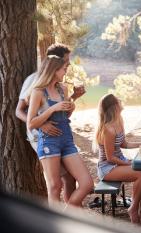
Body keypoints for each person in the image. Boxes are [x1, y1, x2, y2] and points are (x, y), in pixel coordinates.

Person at [15, 43, 85, 203]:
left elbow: (59, 109)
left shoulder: (60, 85)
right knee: (57, 184)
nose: (68, 64)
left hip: (60, 134)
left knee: (69, 179)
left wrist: (73, 98)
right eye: (66, 60)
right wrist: (42, 125)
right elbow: (19, 111)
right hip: (41, 136)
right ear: (56, 61)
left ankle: (72, 212)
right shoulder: (33, 80)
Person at [27, 55, 93, 207]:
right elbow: (31, 123)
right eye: (64, 69)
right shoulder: (38, 92)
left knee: (87, 183)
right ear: (53, 70)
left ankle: (66, 215)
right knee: (55, 187)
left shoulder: (63, 89)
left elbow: (65, 115)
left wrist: (72, 102)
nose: (65, 72)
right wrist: (52, 109)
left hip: (67, 140)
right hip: (49, 142)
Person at [94, 94, 141, 223]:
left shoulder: (119, 120)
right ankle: (133, 208)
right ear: (114, 107)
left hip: (119, 162)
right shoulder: (108, 129)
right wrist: (127, 164)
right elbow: (110, 158)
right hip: (107, 168)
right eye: (118, 100)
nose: (121, 101)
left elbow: (124, 144)